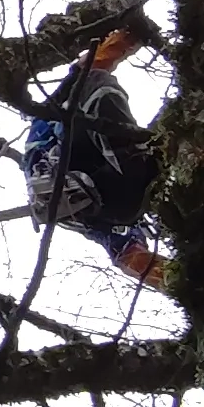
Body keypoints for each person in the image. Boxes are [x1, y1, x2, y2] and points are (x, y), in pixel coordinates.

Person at [22, 23, 172, 286]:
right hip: (125, 186)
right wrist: (182, 280)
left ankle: (144, 149)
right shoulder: (88, 219)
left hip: (120, 168)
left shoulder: (41, 140)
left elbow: (82, 73)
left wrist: (129, 34)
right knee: (93, 86)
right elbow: (125, 252)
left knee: (91, 86)